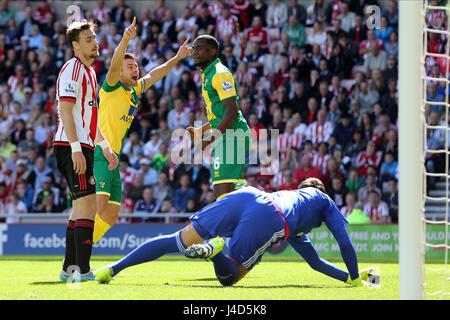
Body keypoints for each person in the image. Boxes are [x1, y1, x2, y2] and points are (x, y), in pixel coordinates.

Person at [95, 178, 373, 287]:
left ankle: (113, 269)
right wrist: (356, 277)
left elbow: (314, 262)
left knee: (175, 241)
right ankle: (215, 252)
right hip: (269, 216)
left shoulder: (294, 203)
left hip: (247, 196)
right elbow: (344, 242)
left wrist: (347, 277)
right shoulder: (323, 201)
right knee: (231, 276)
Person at [92, 17, 191, 243]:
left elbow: (155, 74)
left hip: (113, 156)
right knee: (98, 206)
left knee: (111, 214)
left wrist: (177, 57)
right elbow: (115, 63)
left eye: (136, 65)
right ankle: (75, 255)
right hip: (100, 151)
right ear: (120, 72)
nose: (135, 69)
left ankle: (82, 251)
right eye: (130, 67)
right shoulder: (112, 87)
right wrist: (126, 39)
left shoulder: (134, 89)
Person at [53, 20, 117, 282]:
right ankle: (82, 270)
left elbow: (89, 118)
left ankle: (69, 270)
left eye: (95, 38)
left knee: (80, 208)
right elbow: (66, 110)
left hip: (81, 146)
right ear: (75, 46)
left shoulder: (89, 73)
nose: (95, 42)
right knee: (87, 207)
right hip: (71, 146)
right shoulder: (73, 69)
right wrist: (77, 148)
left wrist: (105, 147)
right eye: (88, 39)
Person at [186, 35, 250, 200]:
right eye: (193, 48)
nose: (194, 52)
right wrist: (203, 130)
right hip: (225, 136)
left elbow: (231, 112)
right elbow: (220, 114)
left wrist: (208, 140)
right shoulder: (208, 73)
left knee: (222, 195)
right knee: (227, 194)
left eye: (198, 48)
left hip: (233, 135)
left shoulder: (220, 74)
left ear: (213, 51)